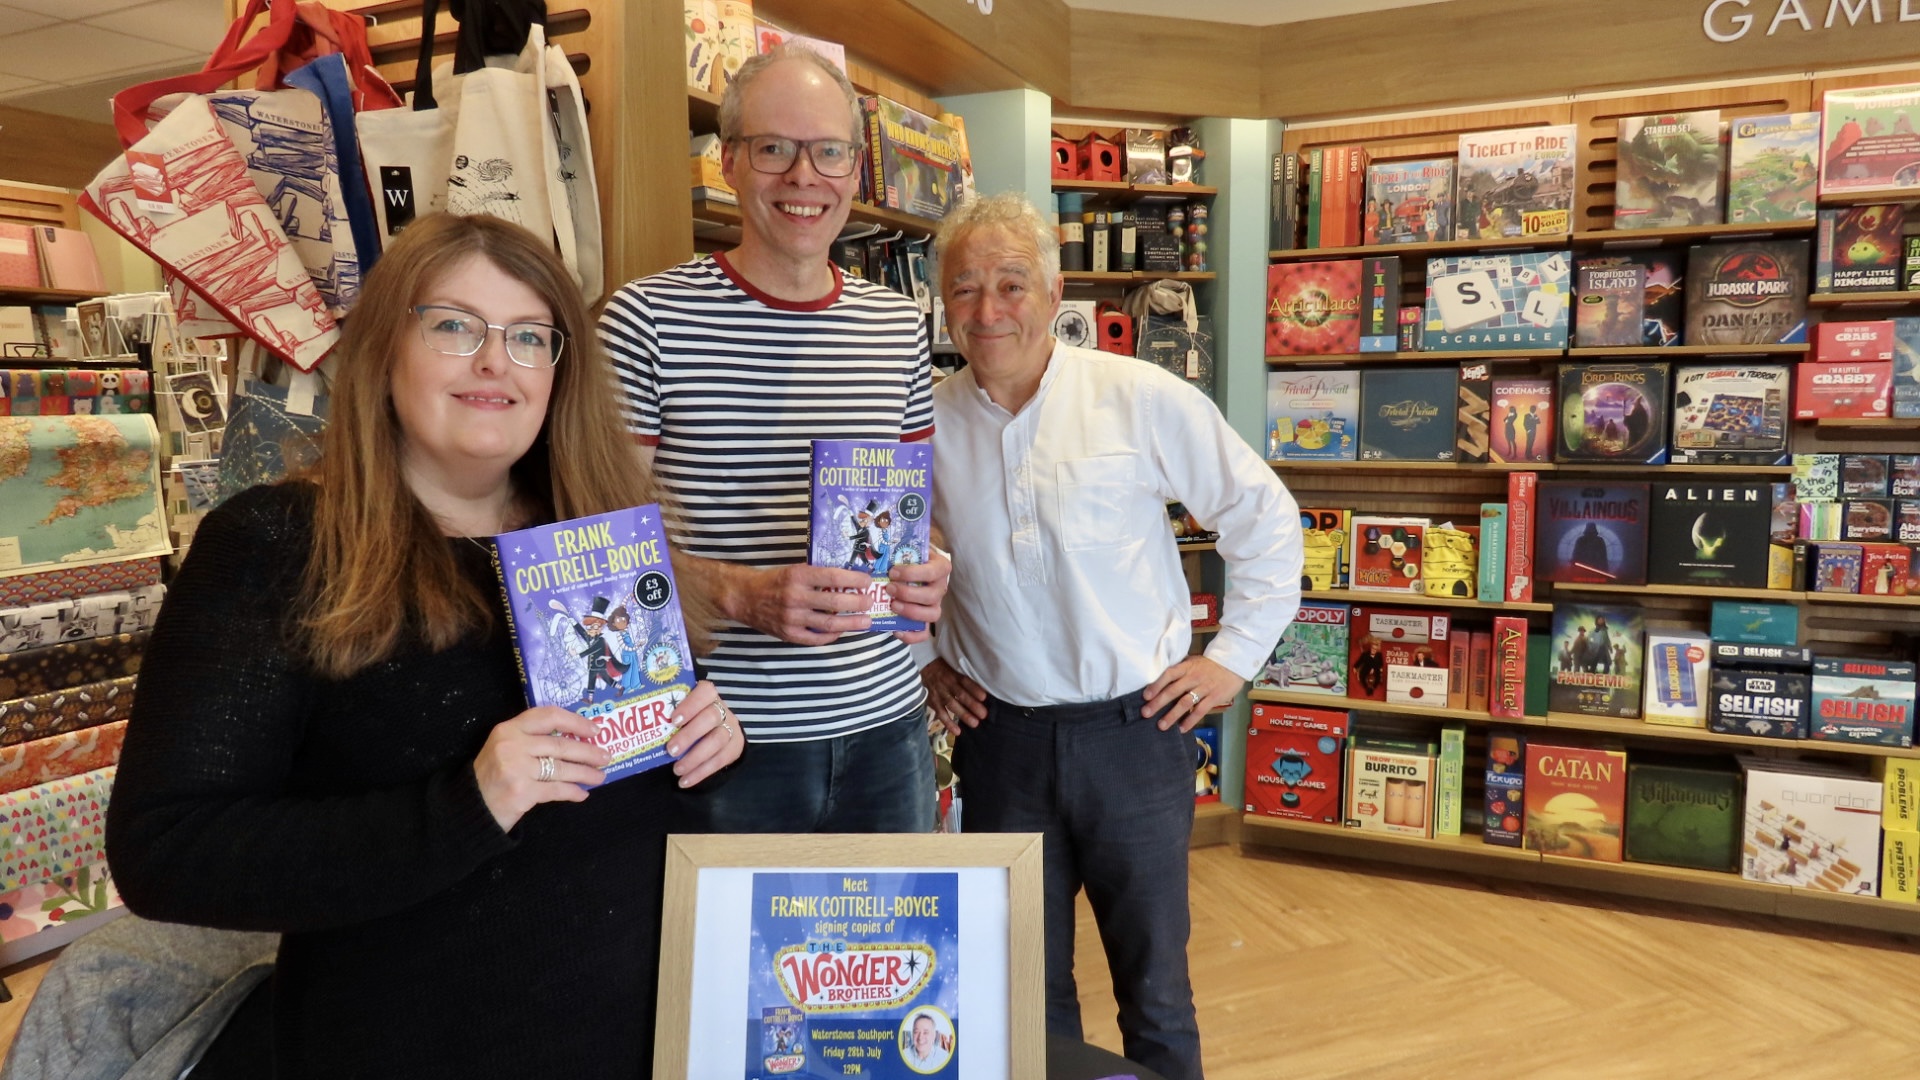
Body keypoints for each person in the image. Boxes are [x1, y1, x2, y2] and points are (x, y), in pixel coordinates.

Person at [103, 213, 744, 1078]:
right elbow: (167, 854)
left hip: (632, 1037)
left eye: (530, 337)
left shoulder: (597, 538)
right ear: (384, 349)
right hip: (403, 1045)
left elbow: (629, 809)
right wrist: (466, 804)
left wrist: (707, 745)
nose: (495, 362)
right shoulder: (277, 544)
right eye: (454, 326)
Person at [919, 193, 1304, 1080]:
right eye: (965, 289)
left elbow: (1268, 521)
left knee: (1156, 988)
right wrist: (927, 659)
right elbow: (900, 558)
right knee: (1026, 990)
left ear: (1056, 295)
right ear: (944, 303)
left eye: (1011, 284)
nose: (987, 310)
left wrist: (1231, 659)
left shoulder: (1139, 397)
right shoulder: (924, 421)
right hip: (998, 742)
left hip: (1137, 735)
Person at [599, 43, 949, 834]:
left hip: (887, 728)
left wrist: (930, 567)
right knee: (716, 961)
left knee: (881, 955)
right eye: (773, 149)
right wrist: (736, 593)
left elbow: (910, 518)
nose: (804, 177)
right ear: (728, 161)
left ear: (855, 169)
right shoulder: (645, 319)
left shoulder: (897, 328)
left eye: (828, 151)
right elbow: (600, 548)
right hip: (719, 738)